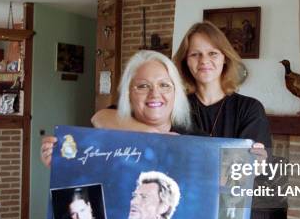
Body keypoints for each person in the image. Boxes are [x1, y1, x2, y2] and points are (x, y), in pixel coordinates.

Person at [91, 21, 271, 150]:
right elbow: (100, 117)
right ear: (185, 61)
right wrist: (152, 134)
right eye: (195, 54)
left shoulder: (248, 108)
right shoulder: (169, 102)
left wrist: (256, 162)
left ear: (225, 58)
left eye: (213, 53)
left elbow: (252, 165)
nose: (204, 61)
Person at [41, 50, 194, 166]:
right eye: (143, 86)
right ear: (128, 94)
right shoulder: (103, 143)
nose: (154, 94)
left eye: (164, 85)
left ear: (177, 93)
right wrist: (60, 164)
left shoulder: (197, 141)